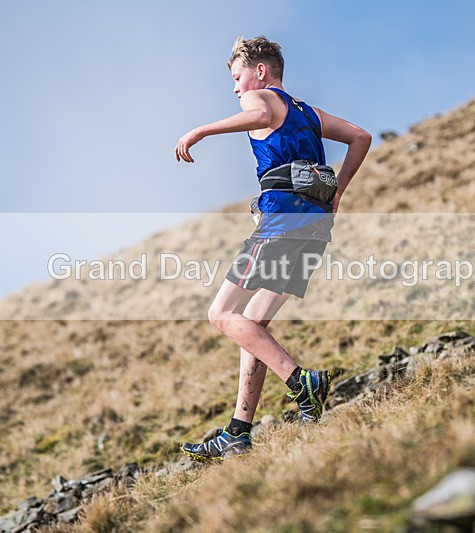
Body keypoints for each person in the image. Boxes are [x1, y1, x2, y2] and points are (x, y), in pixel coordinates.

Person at [174, 35, 371, 462]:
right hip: (315, 227)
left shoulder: (261, 98)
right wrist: (339, 193)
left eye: (237, 76)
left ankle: (302, 382)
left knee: (221, 313)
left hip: (282, 224)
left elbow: (260, 111)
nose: (236, 88)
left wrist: (201, 130)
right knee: (253, 325)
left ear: (260, 71)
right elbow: (360, 136)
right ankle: (239, 432)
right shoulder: (308, 112)